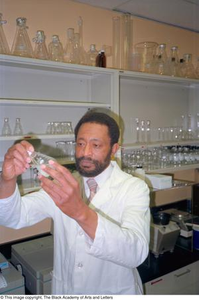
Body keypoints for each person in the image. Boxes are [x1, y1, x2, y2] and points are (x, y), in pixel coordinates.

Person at [0, 111, 150, 295]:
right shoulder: (64, 183)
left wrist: (80, 212)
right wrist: (7, 180)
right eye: (80, 143)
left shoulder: (134, 188)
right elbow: (14, 217)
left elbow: (136, 253)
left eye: (96, 145)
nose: (85, 152)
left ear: (113, 149)